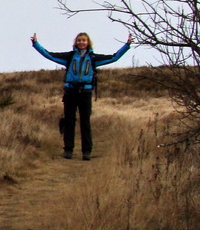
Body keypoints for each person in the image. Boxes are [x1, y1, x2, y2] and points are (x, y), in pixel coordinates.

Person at [31, 31, 132, 160]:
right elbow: (49, 55)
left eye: (84, 40)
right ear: (75, 43)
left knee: (85, 122)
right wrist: (35, 44)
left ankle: (87, 152)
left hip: (85, 92)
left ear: (88, 42)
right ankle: (68, 150)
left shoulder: (93, 58)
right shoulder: (69, 57)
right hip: (70, 92)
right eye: (79, 40)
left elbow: (114, 57)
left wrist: (127, 45)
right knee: (69, 121)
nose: (81, 43)